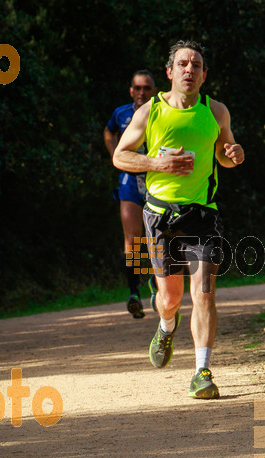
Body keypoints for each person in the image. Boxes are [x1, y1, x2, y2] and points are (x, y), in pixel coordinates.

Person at [112, 40, 244, 398]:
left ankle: (202, 371)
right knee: (170, 297)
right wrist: (157, 163)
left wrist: (235, 153)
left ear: (204, 75)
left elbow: (225, 155)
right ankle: (167, 326)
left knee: (204, 291)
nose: (190, 69)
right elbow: (120, 157)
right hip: (159, 215)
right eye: (183, 64)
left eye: (196, 65)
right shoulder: (149, 112)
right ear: (170, 72)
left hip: (202, 215)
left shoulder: (216, 112)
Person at [104, 69, 158, 318]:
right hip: (129, 181)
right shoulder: (121, 113)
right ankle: (134, 292)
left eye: (147, 88)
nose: (142, 93)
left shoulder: (161, 111)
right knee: (132, 240)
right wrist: (116, 157)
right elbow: (109, 131)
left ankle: (158, 284)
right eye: (138, 88)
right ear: (131, 91)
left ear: (154, 91)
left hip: (157, 179)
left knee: (156, 238)